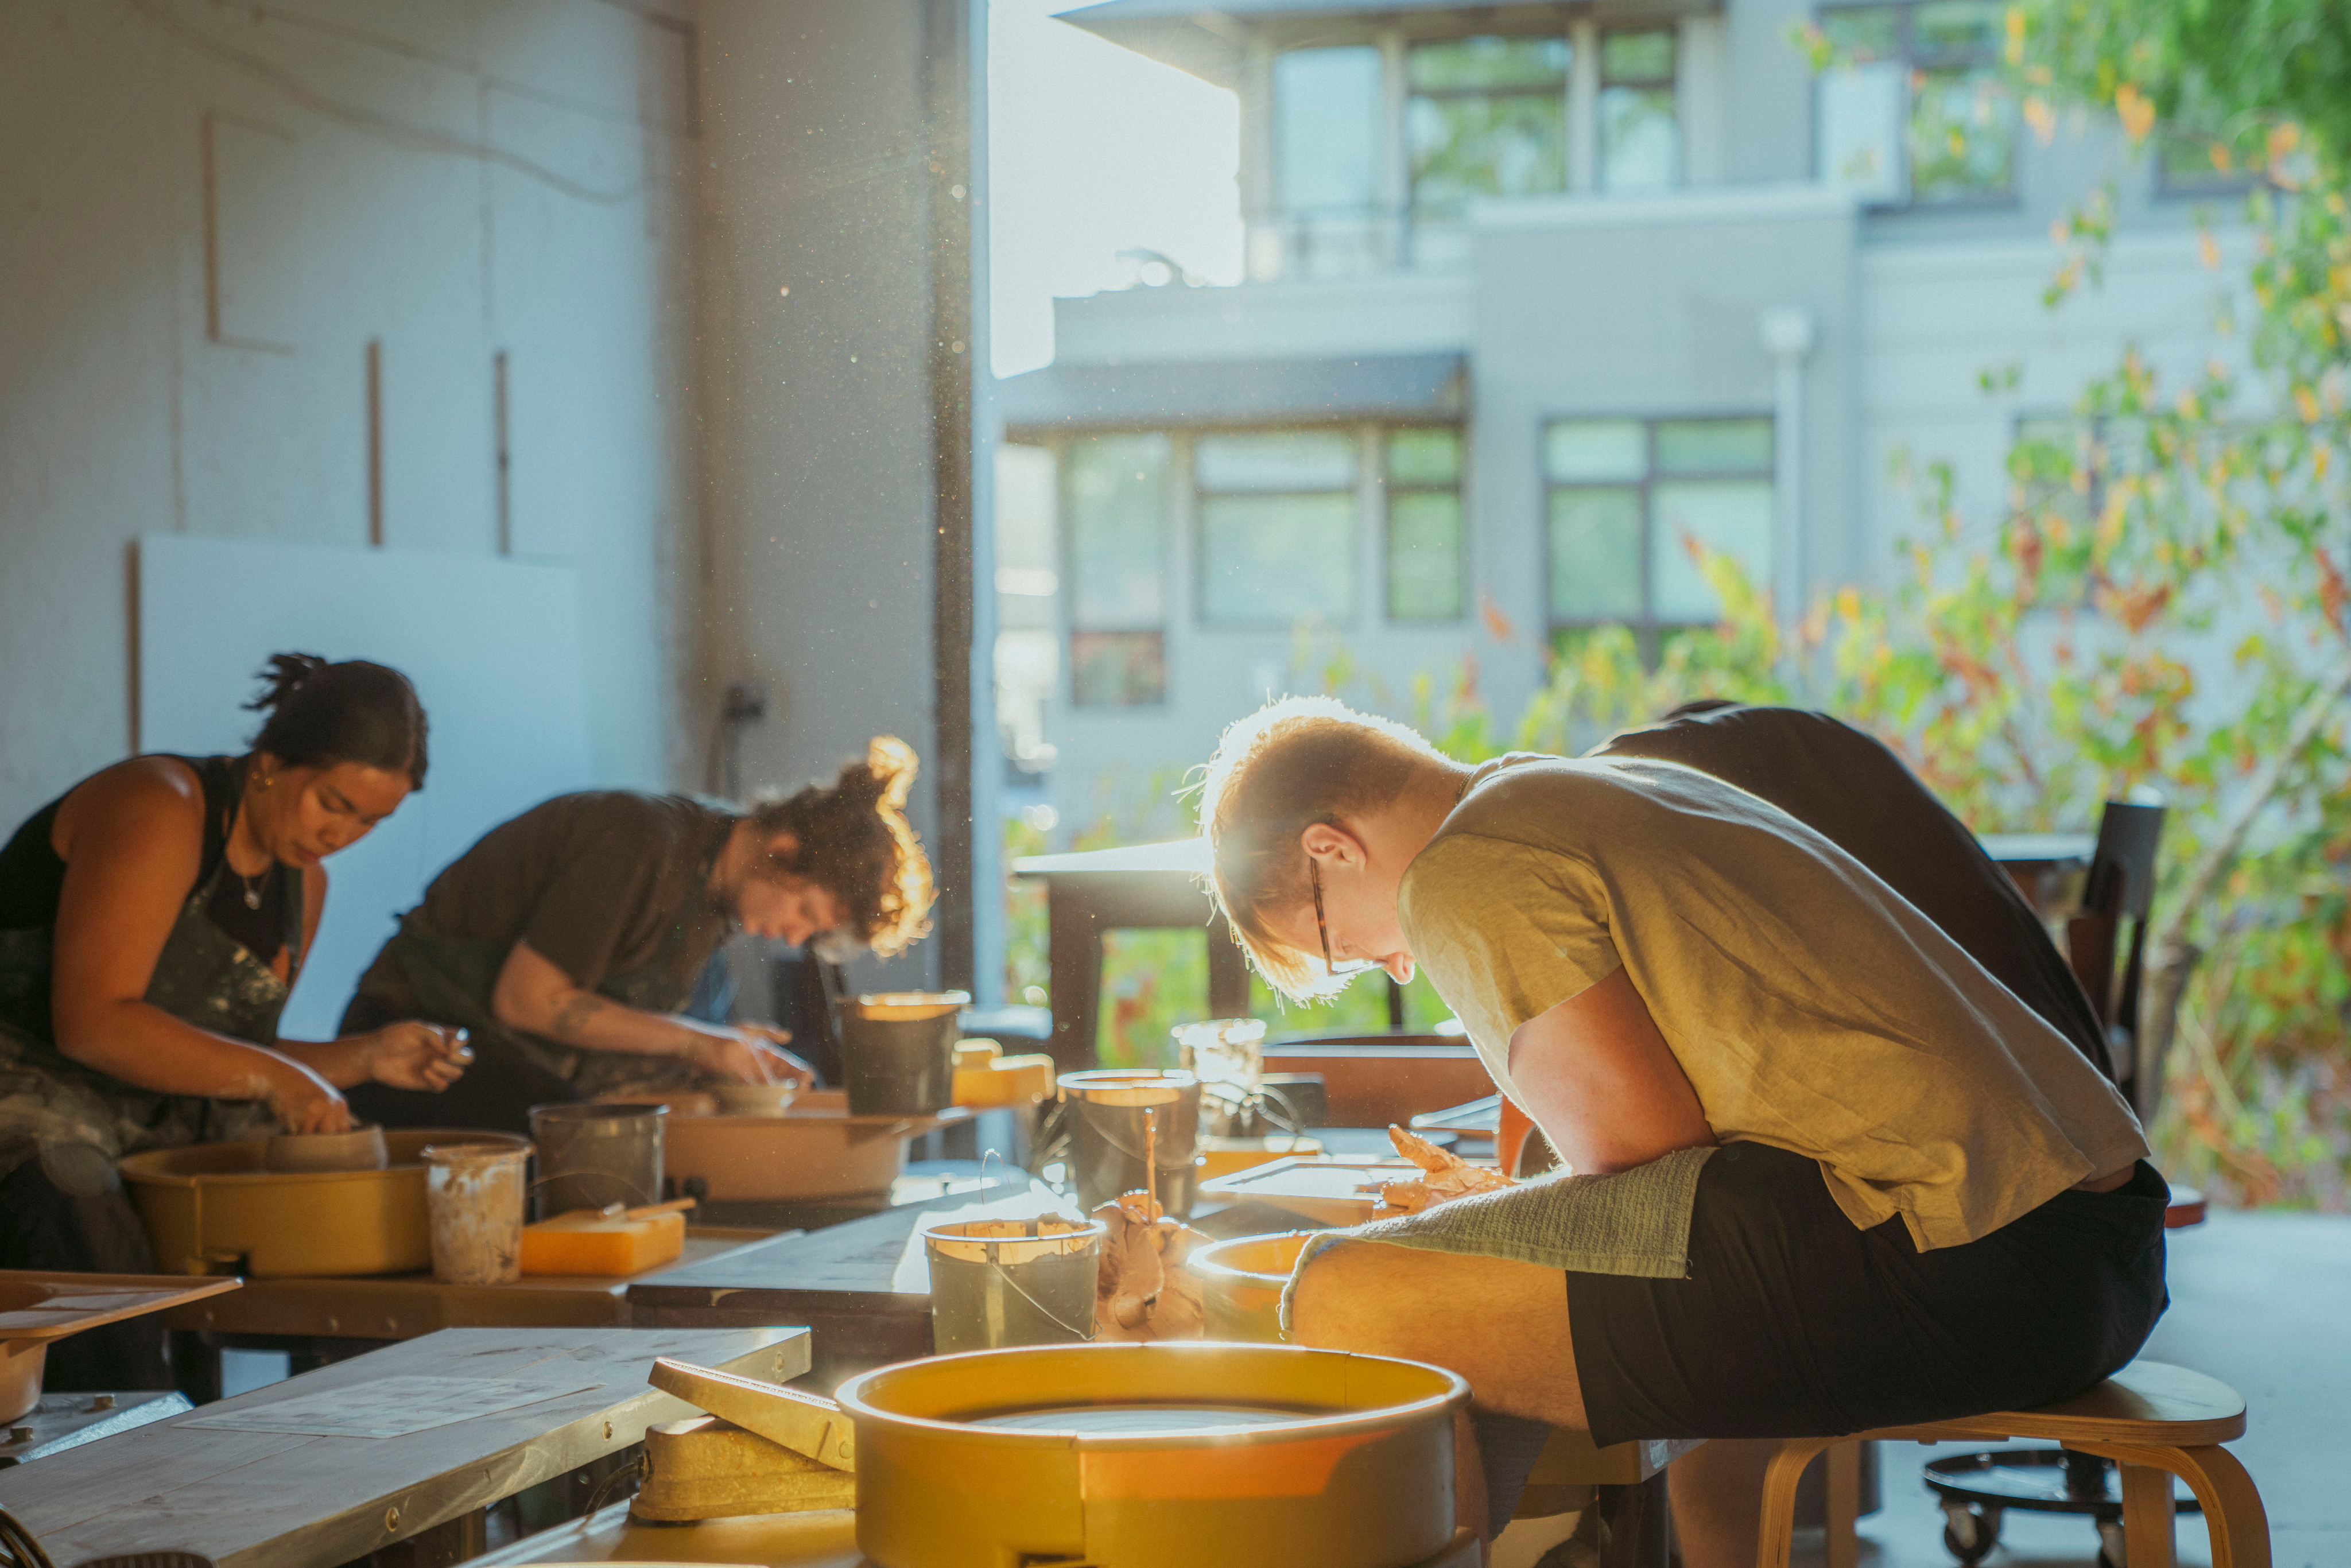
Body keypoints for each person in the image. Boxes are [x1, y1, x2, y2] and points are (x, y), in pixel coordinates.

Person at [1193, 696, 2163, 1566]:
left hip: (1982, 1254)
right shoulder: (1576, 787)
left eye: (1336, 945)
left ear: (1333, 848)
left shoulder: (1460, 872)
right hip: (2090, 1237)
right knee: (1567, 1323)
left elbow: (1645, 1152)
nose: (1389, 965)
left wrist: (1468, 1231)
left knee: (1345, 1296)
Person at [0, 654, 467, 1389]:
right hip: (25, 1096)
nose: (342, 833)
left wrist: (365, 1056)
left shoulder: (303, 885)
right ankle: (118, 1462)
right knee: (87, 1223)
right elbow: (92, 1023)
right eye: (332, 802)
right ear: (273, 763)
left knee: (340, 1238)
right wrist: (283, 1077)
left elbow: (229, 1050)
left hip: (146, 1118)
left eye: (371, 821)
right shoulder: (161, 804)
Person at [341, 737, 936, 1135]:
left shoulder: (717, 899)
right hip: (407, 1044)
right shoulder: (641, 839)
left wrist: (722, 1048)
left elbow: (606, 1022)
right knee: (593, 1145)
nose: (792, 934)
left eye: (811, 932)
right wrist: (694, 1041)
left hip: (510, 1058)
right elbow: (526, 1000)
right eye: (805, 909)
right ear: (783, 848)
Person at [1592, 699, 2114, 1077]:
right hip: (2086, 1082)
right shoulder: (1824, 761)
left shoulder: (1668, 774)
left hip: (2019, 1102)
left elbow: (1579, 794)